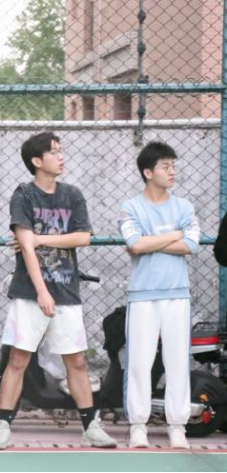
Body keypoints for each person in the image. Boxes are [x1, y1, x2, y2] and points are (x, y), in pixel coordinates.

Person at [0, 132, 117, 450]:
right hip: (29, 293)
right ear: (36, 161)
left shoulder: (72, 195)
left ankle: (90, 427)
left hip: (67, 291)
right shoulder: (24, 195)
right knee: (18, 359)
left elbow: (83, 237)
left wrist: (40, 238)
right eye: (54, 152)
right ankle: (3, 426)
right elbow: (26, 248)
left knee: (76, 362)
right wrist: (42, 291)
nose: (61, 157)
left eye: (61, 151)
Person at [118, 142, 200, 449]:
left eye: (173, 166)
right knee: (139, 362)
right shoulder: (131, 207)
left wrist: (152, 240)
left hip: (177, 294)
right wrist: (173, 235)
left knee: (177, 361)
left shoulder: (184, 207)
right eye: (166, 167)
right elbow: (135, 244)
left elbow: (190, 245)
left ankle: (177, 426)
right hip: (142, 295)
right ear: (148, 172)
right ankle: (137, 426)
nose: (172, 171)